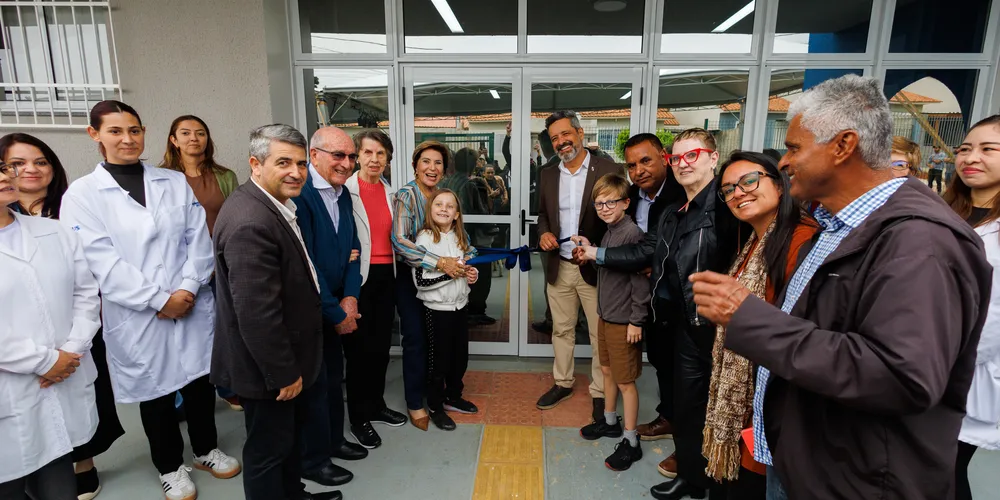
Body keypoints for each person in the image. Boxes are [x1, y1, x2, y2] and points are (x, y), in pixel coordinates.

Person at [689, 75, 991, 500]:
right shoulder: (834, 227)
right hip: (810, 459)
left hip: (856, 479)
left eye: (794, 148)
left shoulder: (920, 241)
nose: (786, 162)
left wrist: (748, 316)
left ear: (843, 145)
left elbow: (900, 376)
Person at [61, 100, 240, 500]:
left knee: (198, 381)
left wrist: (189, 288)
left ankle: (206, 449)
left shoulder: (172, 182)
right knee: (155, 391)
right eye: (116, 131)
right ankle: (169, 467)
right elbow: (100, 259)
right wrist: (159, 299)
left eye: (135, 130)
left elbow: (199, 238)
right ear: (95, 135)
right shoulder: (83, 194)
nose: (128, 139)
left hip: (190, 300)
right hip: (137, 312)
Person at [574, 128, 732, 498]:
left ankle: (695, 466)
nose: (640, 169)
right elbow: (656, 255)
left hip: (704, 318)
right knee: (673, 380)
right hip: (671, 312)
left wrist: (612, 262)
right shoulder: (669, 208)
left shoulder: (715, 207)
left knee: (697, 395)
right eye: (632, 164)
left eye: (691, 156)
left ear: (712, 158)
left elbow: (653, 257)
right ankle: (689, 464)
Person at [212, 124, 341, 500]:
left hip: (287, 357)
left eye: (301, 163)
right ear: (255, 163)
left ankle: (293, 494)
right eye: (283, 162)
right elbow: (256, 313)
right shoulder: (251, 221)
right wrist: (283, 372)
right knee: (267, 451)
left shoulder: (275, 204)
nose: (296, 172)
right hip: (268, 366)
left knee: (286, 442)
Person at [0, 133, 125, 500]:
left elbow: (85, 293)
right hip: (14, 384)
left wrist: (69, 352)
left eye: (3, 168)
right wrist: (45, 361)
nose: (8, 175)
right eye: (11, 165)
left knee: (58, 478)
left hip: (65, 372)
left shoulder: (54, 231)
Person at [703, 151, 819, 499]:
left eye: (749, 181)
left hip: (769, 396)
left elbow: (798, 329)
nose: (738, 193)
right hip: (746, 387)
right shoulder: (753, 240)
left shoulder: (802, 239)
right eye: (728, 190)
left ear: (780, 186)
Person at [293, 126, 370, 488]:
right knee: (314, 384)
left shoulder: (341, 195)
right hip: (313, 309)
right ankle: (313, 459)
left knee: (333, 378)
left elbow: (354, 251)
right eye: (338, 155)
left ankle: (334, 439)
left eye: (351, 156)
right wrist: (337, 312)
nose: (347, 163)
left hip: (339, 303)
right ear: (314, 155)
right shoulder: (301, 196)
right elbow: (308, 265)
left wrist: (351, 297)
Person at [534, 110, 622, 423]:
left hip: (595, 267)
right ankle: (563, 382)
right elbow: (542, 213)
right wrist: (543, 231)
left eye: (565, 134)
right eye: (555, 138)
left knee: (600, 334)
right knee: (561, 329)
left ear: (580, 133)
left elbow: (621, 218)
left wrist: (599, 251)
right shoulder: (547, 173)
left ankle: (600, 392)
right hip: (560, 265)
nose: (560, 142)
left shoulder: (609, 169)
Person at [159, 115, 242, 412]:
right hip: (178, 267)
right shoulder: (161, 179)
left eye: (200, 133)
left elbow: (236, 218)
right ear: (173, 139)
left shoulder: (225, 176)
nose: (194, 138)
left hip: (220, 262)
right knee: (182, 330)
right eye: (186, 133)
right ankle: (183, 396)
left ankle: (229, 386)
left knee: (224, 325)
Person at [576, 173, 650, 472]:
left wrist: (636, 321)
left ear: (626, 203)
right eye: (599, 203)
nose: (604, 208)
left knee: (626, 382)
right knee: (606, 370)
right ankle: (610, 422)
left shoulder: (632, 234)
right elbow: (609, 264)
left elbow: (640, 283)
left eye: (611, 202)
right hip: (606, 316)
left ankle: (632, 441)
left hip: (624, 321)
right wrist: (588, 248)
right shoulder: (609, 232)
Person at [392, 141, 467, 431]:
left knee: (439, 344)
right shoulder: (406, 195)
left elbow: (457, 235)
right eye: (426, 162)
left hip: (442, 280)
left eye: (438, 163)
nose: (432, 168)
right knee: (416, 340)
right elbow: (400, 241)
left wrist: (465, 259)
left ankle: (437, 394)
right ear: (415, 165)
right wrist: (440, 262)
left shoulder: (441, 196)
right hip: (412, 277)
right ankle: (415, 402)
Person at [945, 114, 1000, 500]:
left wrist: (942, 362)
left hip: (965, 370)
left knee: (944, 470)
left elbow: (995, 315)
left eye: (988, 149)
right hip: (929, 361)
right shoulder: (947, 212)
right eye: (965, 148)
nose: (970, 157)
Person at [344, 129, 409, 449]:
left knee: (382, 346)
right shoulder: (345, 191)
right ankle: (358, 417)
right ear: (357, 156)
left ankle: (376, 405)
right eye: (368, 153)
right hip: (359, 278)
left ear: (388, 159)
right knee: (359, 351)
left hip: (387, 276)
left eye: (380, 154)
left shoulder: (390, 191)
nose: (374, 159)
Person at [620, 133, 683, 449]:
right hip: (639, 290)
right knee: (658, 356)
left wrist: (655, 265)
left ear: (664, 157)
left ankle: (679, 426)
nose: (638, 170)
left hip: (671, 294)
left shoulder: (679, 194)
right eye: (631, 165)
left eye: (645, 161)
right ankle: (668, 416)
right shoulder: (630, 195)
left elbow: (666, 247)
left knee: (677, 362)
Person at [413, 189, 480, 431]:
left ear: (457, 214)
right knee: (438, 362)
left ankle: (453, 396)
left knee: (459, 357)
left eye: (449, 206)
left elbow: (467, 267)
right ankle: (435, 405)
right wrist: (450, 272)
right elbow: (421, 280)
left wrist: (471, 274)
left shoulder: (460, 237)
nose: (444, 209)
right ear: (430, 211)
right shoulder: (425, 239)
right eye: (438, 204)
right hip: (437, 309)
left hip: (460, 307)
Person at [440, 147, 494, 326]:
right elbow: (478, 213)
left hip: (451, 237)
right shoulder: (469, 184)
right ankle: (477, 312)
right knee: (481, 275)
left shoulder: (446, 182)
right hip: (472, 239)